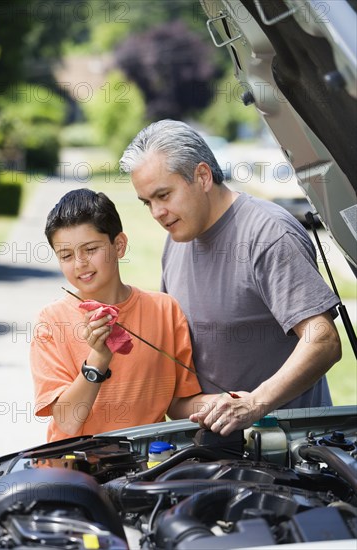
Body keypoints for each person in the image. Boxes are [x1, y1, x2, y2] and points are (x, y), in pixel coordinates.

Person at [119, 119, 342, 435]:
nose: (157, 213)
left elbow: (323, 339)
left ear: (203, 176)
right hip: (218, 452)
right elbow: (178, 380)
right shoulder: (176, 241)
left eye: (164, 195)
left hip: (293, 452)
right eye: (148, 203)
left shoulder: (268, 234)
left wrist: (253, 404)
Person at [30, 188, 218, 442]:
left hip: (148, 463)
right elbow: (67, 421)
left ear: (119, 246)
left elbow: (177, 405)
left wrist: (221, 403)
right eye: (66, 255)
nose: (79, 263)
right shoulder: (50, 322)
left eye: (90, 249)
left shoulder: (165, 309)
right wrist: (99, 357)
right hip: (75, 468)